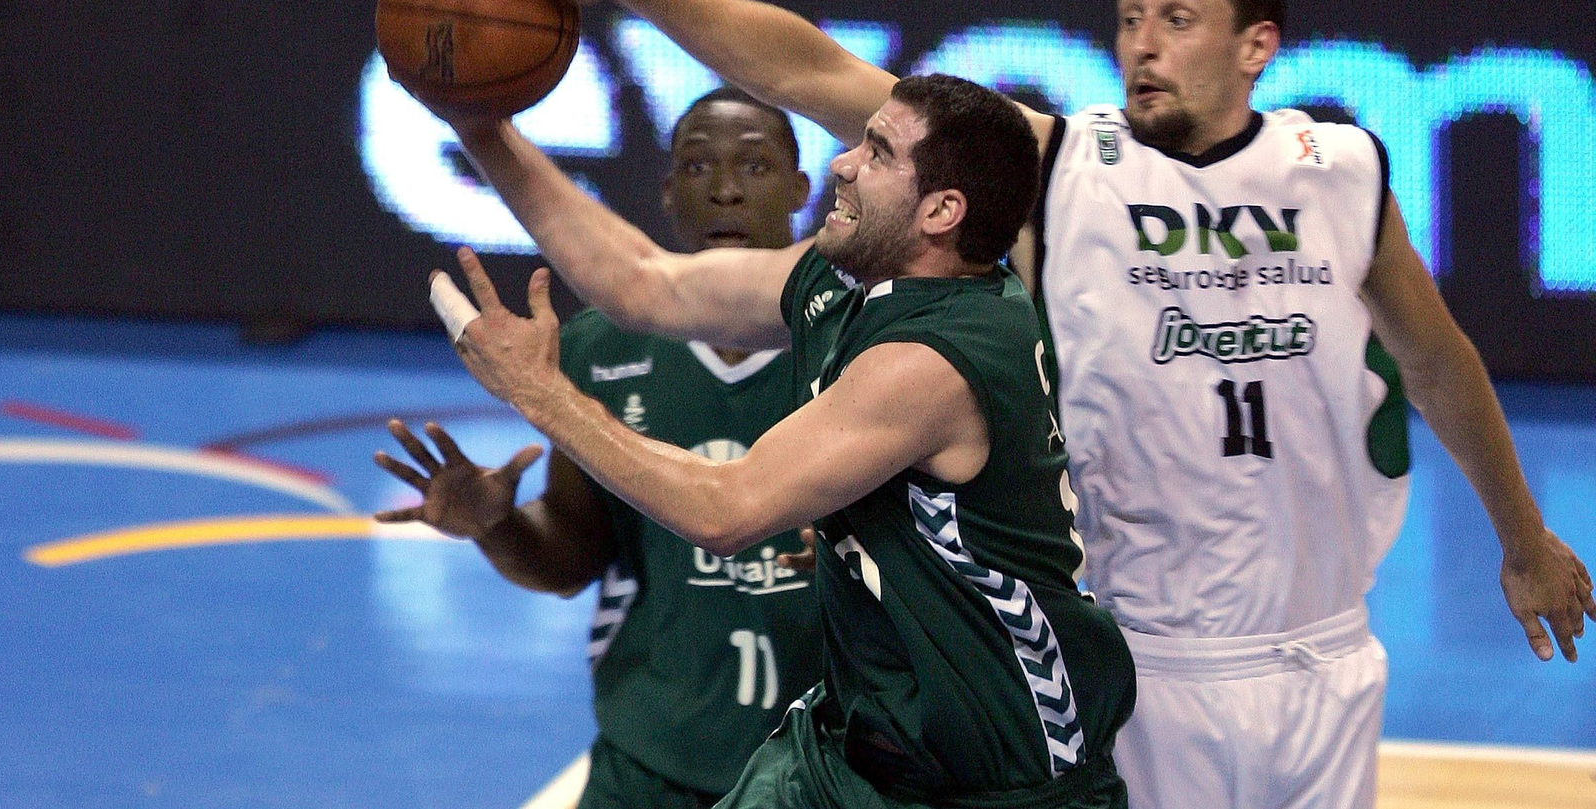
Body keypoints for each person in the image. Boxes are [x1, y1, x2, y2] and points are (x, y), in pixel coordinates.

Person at [442, 0, 1595, 809]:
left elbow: (1438, 362)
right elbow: (803, 75)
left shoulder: (1339, 170)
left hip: (1330, 650)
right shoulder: (1062, 170)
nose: (1142, 41)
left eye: (1177, 17)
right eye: (1128, 15)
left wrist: (1521, 536)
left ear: (1257, 45)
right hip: (1147, 660)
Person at [420, 71, 1137, 809]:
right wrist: (479, 128)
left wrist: (538, 390)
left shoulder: (936, 357)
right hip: (858, 743)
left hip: (996, 776)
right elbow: (643, 281)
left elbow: (723, 509)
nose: (842, 164)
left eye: (878, 152)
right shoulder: (846, 280)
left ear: (941, 211)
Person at [374, 88, 823, 809]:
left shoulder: (861, 341)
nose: (727, 190)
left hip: (829, 767)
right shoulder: (603, 348)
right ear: (668, 194)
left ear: (803, 190)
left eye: (755, 166)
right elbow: (573, 554)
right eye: (698, 166)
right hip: (649, 762)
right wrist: (496, 525)